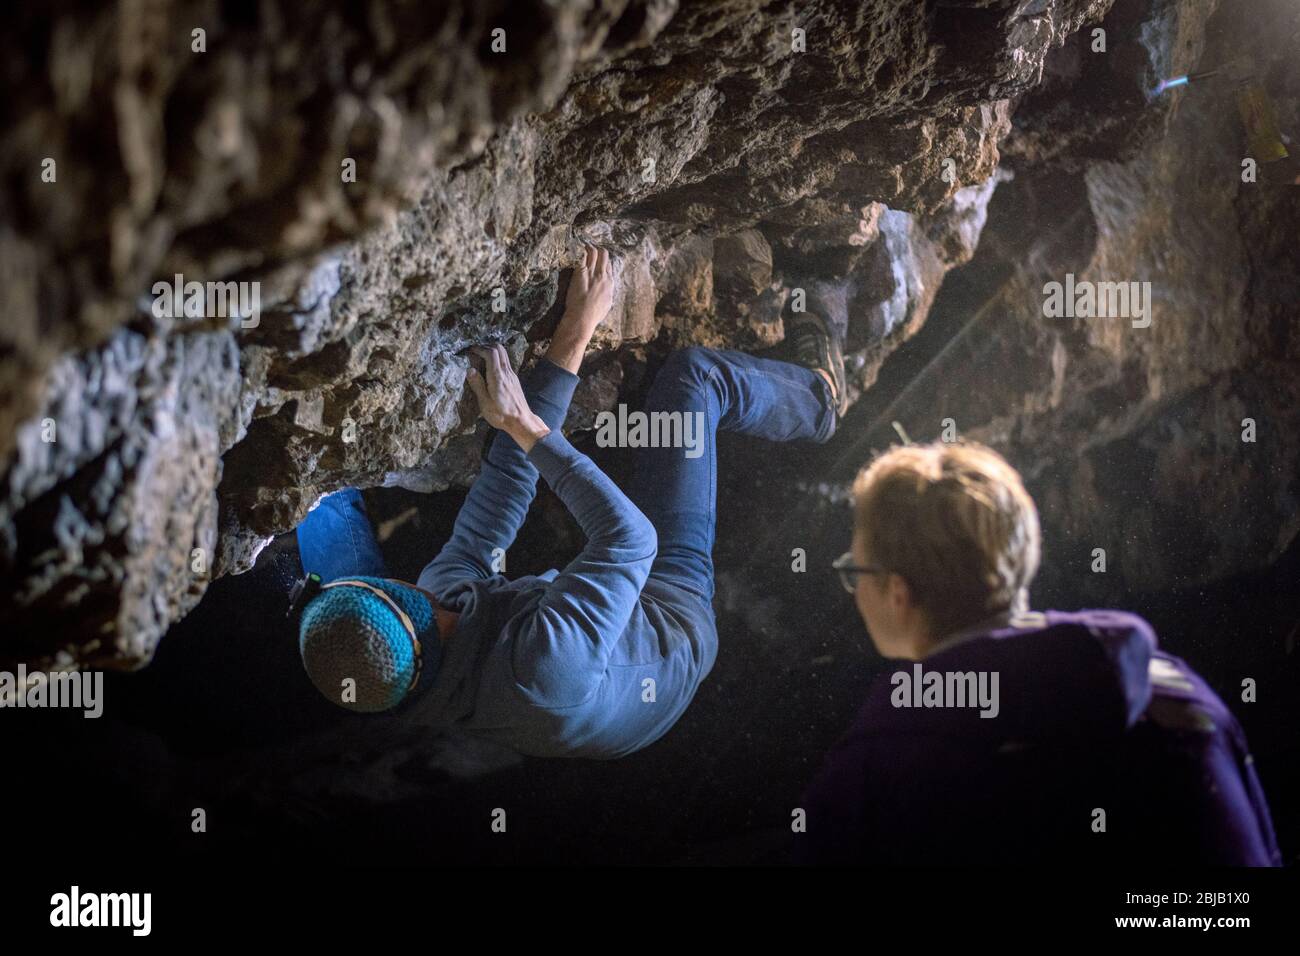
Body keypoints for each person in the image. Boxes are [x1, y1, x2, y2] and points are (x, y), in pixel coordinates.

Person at [292, 246, 847, 758]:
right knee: (692, 382)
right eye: (412, 590)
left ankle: (315, 493)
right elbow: (633, 540)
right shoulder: (544, 670)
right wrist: (529, 424)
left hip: (565, 644)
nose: (418, 583)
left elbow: (502, 492)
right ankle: (821, 398)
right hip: (672, 618)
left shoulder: (426, 627)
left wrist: (571, 340)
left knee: (320, 503)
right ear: (423, 610)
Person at [797, 440, 1283, 865]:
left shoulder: (874, 775)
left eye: (854, 572)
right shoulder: (1179, 695)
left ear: (898, 593)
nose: (853, 591)